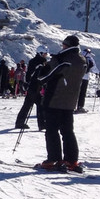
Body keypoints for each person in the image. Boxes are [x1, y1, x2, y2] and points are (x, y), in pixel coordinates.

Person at [34, 34, 86, 172]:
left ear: (67, 46)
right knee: (68, 131)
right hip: (70, 102)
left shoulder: (62, 60)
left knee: (52, 131)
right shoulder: (82, 60)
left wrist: (43, 69)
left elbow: (45, 77)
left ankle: (54, 159)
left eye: (64, 45)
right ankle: (71, 159)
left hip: (55, 99)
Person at [14, 47, 50, 130]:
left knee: (28, 104)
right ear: (40, 53)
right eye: (45, 54)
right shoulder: (41, 62)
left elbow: (29, 75)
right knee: (40, 104)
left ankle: (20, 122)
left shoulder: (32, 61)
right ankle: (42, 124)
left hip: (31, 86)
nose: (46, 55)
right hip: (36, 86)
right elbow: (42, 74)